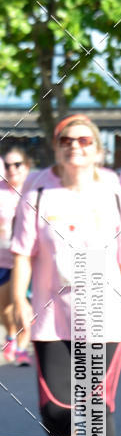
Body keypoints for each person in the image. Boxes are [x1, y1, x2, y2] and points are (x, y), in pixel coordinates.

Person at [11, 114, 121, 436]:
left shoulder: (113, 194)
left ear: (97, 149)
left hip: (106, 317)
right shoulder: (39, 192)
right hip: (52, 317)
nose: (76, 146)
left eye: (85, 140)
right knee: (56, 410)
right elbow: (23, 255)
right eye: (67, 140)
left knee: (95, 406)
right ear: (56, 147)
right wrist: (19, 300)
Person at [1, 147, 32, 365]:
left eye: (17, 164)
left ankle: (22, 347)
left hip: (28, 259)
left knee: (22, 302)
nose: (12, 169)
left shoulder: (35, 190)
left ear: (27, 166)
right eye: (8, 165)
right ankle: (11, 335)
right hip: (3, 257)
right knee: (4, 307)